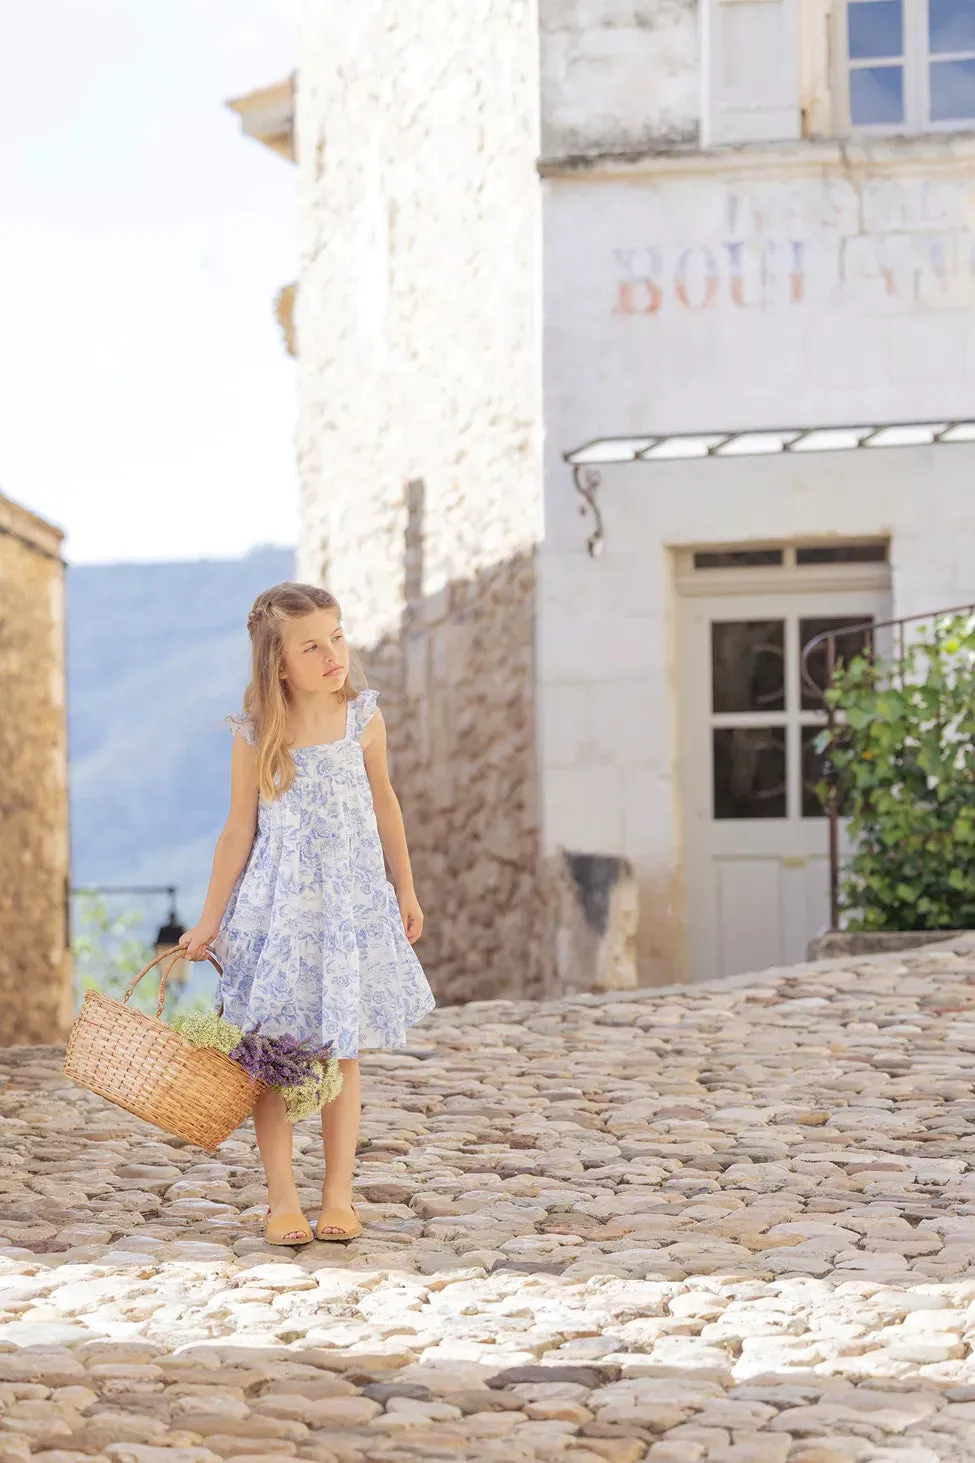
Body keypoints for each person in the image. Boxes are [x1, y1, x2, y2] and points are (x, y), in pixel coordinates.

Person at [179, 581, 435, 1245]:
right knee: (276, 1056)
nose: (332, 654)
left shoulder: (363, 718)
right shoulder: (257, 733)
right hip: (279, 913)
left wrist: (405, 888)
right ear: (278, 662)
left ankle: (339, 1195)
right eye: (311, 645)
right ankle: (281, 1198)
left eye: (337, 636)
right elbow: (238, 831)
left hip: (348, 907)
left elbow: (386, 807)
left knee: (341, 1053)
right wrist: (209, 920)